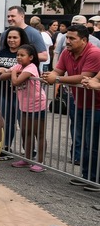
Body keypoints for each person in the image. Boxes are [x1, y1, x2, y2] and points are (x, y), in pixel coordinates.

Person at [44, 25, 100, 189]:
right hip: (79, 102)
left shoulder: (94, 53)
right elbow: (56, 71)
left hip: (96, 105)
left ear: (84, 40)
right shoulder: (66, 53)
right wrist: (54, 76)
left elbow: (85, 77)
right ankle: (86, 175)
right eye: (67, 38)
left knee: (93, 142)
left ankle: (94, 178)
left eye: (71, 38)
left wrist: (58, 79)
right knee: (82, 140)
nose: (67, 41)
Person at [0, 26, 29, 158]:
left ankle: (29, 150)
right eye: (9, 37)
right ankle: (6, 147)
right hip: (4, 93)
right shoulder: (1, 52)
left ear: (21, 39)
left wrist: (2, 70)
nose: (11, 40)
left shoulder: (25, 53)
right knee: (6, 122)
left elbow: (26, 71)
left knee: (24, 123)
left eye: (15, 37)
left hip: (22, 94)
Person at [9, 44, 47, 172]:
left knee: (38, 133)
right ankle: (27, 158)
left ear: (31, 57)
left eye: (22, 55)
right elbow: (4, 74)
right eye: (17, 55)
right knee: (26, 131)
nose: (19, 57)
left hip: (37, 104)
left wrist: (13, 73)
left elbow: (15, 81)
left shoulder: (31, 67)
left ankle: (41, 162)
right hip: (24, 105)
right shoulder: (19, 66)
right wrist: (1, 70)